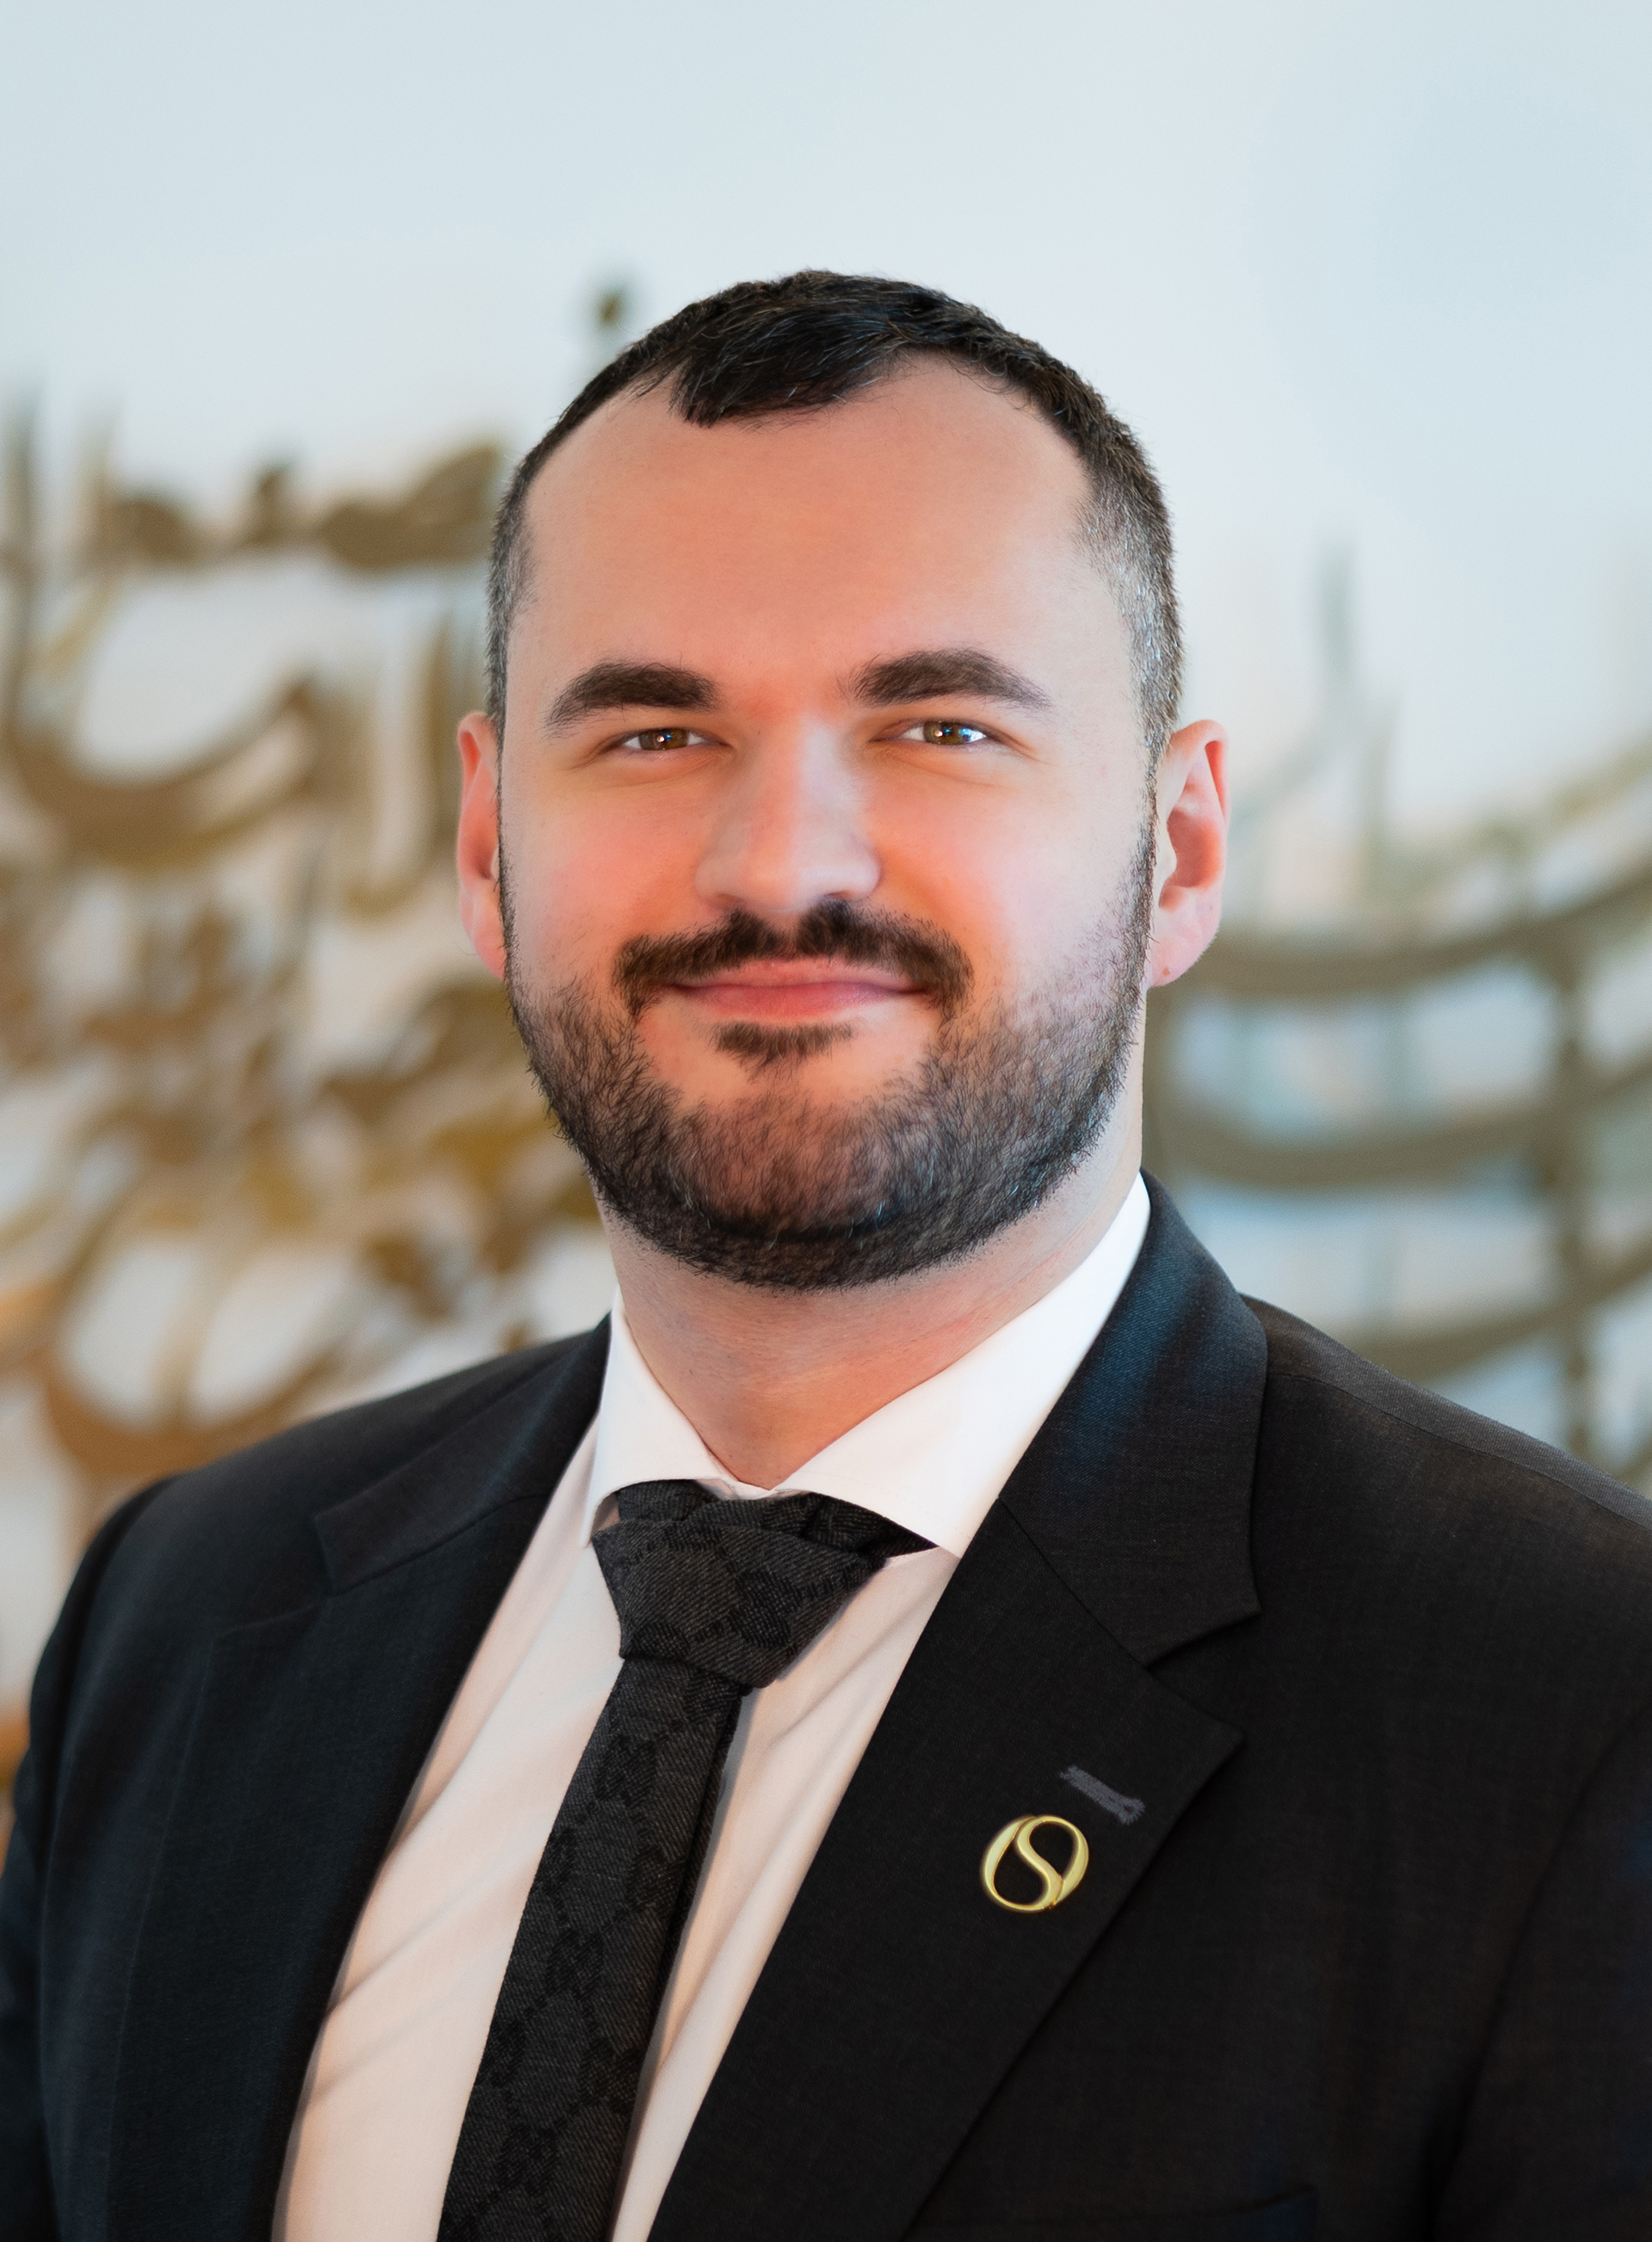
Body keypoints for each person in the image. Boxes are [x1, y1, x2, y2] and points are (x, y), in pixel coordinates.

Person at [3, 272, 1649, 2242]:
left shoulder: (1571, 1702)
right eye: (655, 731)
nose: (784, 863)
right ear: (487, 842)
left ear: (1183, 849)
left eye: (938, 724)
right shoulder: (188, 1616)